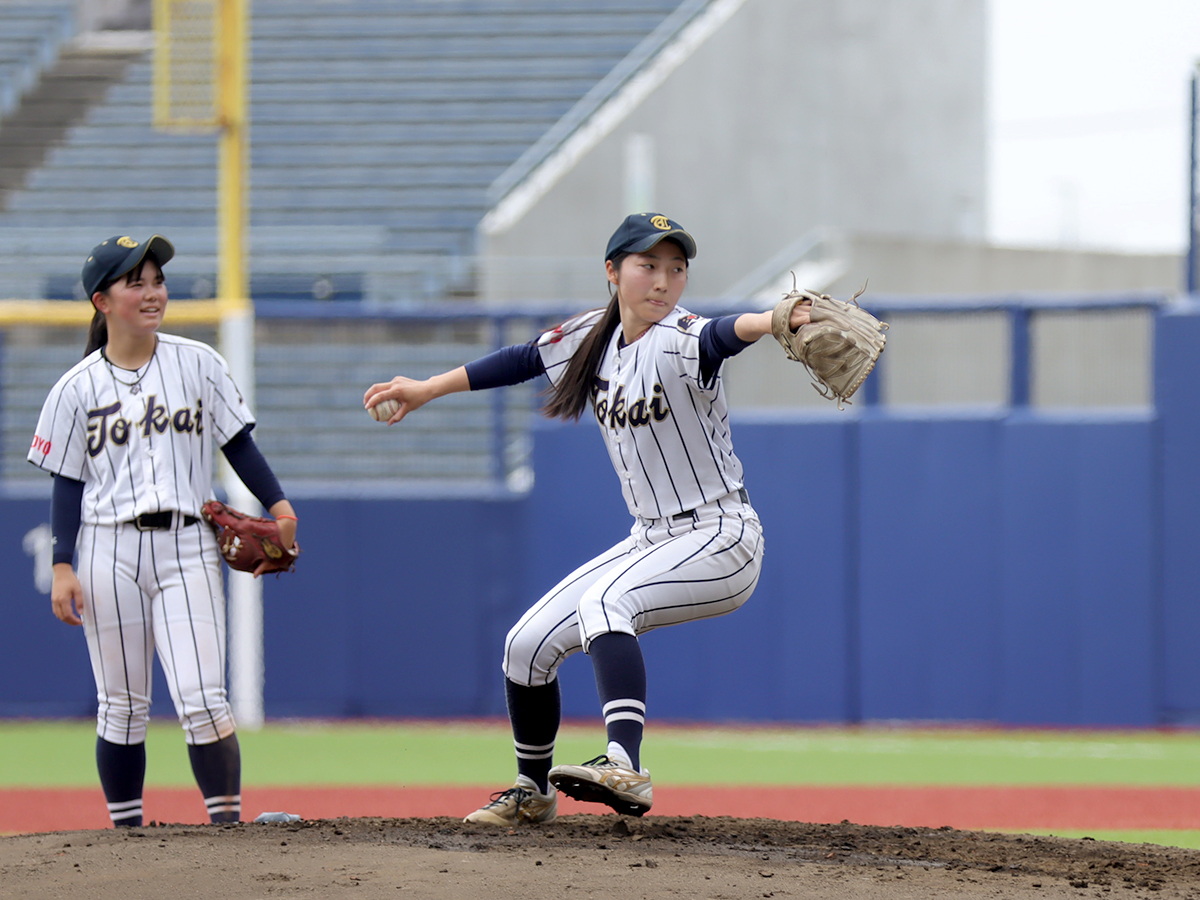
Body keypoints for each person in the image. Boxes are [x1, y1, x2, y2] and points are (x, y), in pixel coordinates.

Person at [364, 213, 811, 825]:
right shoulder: (589, 339)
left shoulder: (678, 336)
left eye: (676, 268)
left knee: (605, 601)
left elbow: (723, 334)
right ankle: (532, 792)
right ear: (612, 271)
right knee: (525, 645)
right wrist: (426, 389)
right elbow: (521, 359)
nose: (663, 280)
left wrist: (772, 319)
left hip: (721, 536)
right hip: (651, 539)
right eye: (647, 265)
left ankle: (625, 766)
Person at [28, 235, 298, 827]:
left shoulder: (198, 362)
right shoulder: (75, 387)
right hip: (108, 547)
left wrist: (280, 506)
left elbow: (238, 445)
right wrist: (62, 565)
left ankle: (226, 832)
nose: (153, 293)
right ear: (102, 301)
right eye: (137, 283)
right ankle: (127, 841)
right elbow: (66, 483)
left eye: (158, 281)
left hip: (187, 543)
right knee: (122, 706)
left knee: (204, 699)